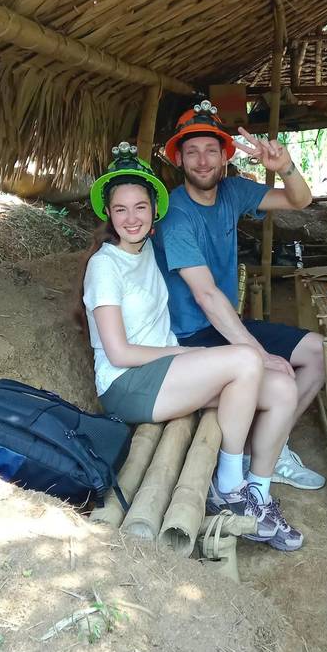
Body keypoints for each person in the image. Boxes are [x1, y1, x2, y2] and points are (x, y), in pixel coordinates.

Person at [80, 141, 303, 551]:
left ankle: (258, 493)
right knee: (244, 360)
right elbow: (120, 354)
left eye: (140, 207)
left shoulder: (150, 248)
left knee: (284, 389)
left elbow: (202, 278)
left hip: (166, 378)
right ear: (108, 214)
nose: (132, 218)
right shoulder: (104, 266)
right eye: (121, 209)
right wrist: (188, 353)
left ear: (154, 212)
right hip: (129, 385)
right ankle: (229, 489)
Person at [153, 100, 326, 491]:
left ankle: (268, 446)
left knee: (318, 351)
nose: (202, 161)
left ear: (224, 157)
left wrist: (284, 168)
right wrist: (259, 354)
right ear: (178, 158)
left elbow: (300, 200)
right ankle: (261, 454)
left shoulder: (232, 192)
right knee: (277, 376)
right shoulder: (175, 216)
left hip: (224, 325)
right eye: (192, 151)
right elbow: (206, 296)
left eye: (211, 150)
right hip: (193, 337)